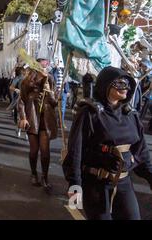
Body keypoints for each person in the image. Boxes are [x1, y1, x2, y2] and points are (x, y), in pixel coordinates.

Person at [63, 66, 152, 220]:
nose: (125, 88)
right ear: (106, 85)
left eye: (127, 84)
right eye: (119, 83)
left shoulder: (131, 116)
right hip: (96, 185)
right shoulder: (89, 113)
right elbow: (75, 151)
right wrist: (74, 184)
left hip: (123, 183)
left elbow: (142, 152)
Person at [18, 62, 58, 192]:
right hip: (32, 119)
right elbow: (21, 101)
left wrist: (49, 92)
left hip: (46, 121)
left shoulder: (51, 80)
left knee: (45, 152)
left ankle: (45, 178)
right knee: (34, 150)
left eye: (46, 67)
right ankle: (34, 173)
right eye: (42, 66)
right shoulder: (27, 82)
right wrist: (23, 118)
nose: (44, 69)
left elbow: (54, 102)